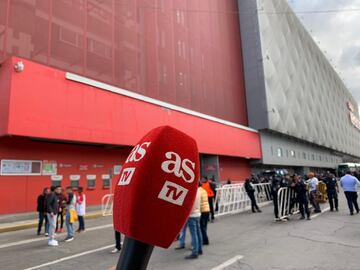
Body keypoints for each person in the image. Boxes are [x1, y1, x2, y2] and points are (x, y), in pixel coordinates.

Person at [184, 187, 203, 259]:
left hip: (192, 214)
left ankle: (195, 252)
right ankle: (200, 249)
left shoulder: (191, 190)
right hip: (198, 213)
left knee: (194, 234)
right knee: (198, 233)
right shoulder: (199, 190)